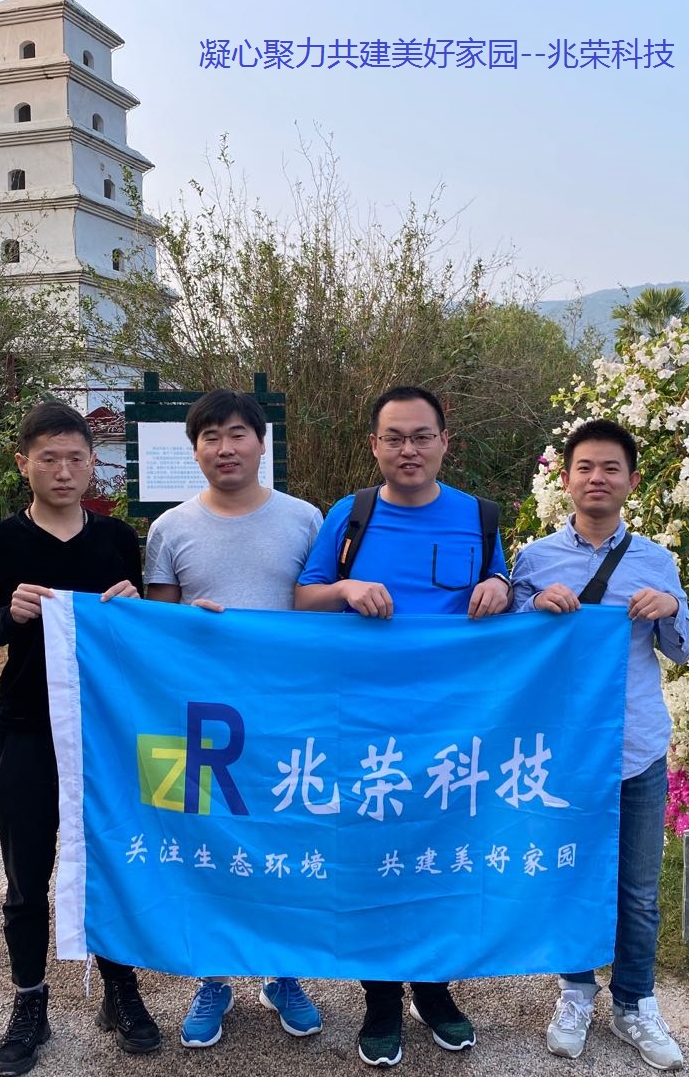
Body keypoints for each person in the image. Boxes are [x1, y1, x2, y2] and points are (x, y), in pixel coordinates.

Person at [295, 385, 511, 1067]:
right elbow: (303, 600)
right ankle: (381, 1000)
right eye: (394, 438)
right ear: (374, 446)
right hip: (364, 723)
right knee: (373, 861)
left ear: (445, 442)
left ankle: (435, 991)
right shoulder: (350, 515)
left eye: (421, 437)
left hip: (452, 726)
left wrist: (501, 588)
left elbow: (504, 599)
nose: (408, 450)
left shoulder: (480, 517)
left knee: (440, 854)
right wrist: (345, 589)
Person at [0, 401, 161, 1076]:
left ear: (93, 464)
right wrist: (8, 615)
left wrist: (134, 613)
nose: (64, 470)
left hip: (106, 733)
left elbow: (138, 639)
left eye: (76, 458)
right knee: (27, 874)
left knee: (109, 861)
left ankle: (120, 990)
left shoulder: (116, 540)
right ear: (24, 464)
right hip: (25, 728)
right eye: (49, 458)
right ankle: (30, 1001)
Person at [511, 418, 689, 1072]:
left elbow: (683, 648)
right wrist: (533, 607)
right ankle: (574, 994)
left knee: (638, 892)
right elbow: (507, 650)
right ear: (565, 479)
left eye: (611, 468)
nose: (597, 478)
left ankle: (635, 1004)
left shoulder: (656, 561)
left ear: (631, 481)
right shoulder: (534, 561)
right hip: (563, 753)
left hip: (636, 747)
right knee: (569, 873)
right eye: (585, 467)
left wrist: (670, 609)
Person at [143, 388, 325, 1049]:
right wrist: (183, 624)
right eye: (211, 437)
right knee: (203, 846)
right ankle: (212, 977)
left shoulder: (306, 519)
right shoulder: (169, 529)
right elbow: (156, 629)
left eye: (238, 434)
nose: (226, 448)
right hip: (197, 723)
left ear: (261, 442)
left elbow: (324, 613)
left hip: (284, 716)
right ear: (195, 450)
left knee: (284, 838)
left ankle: (283, 971)